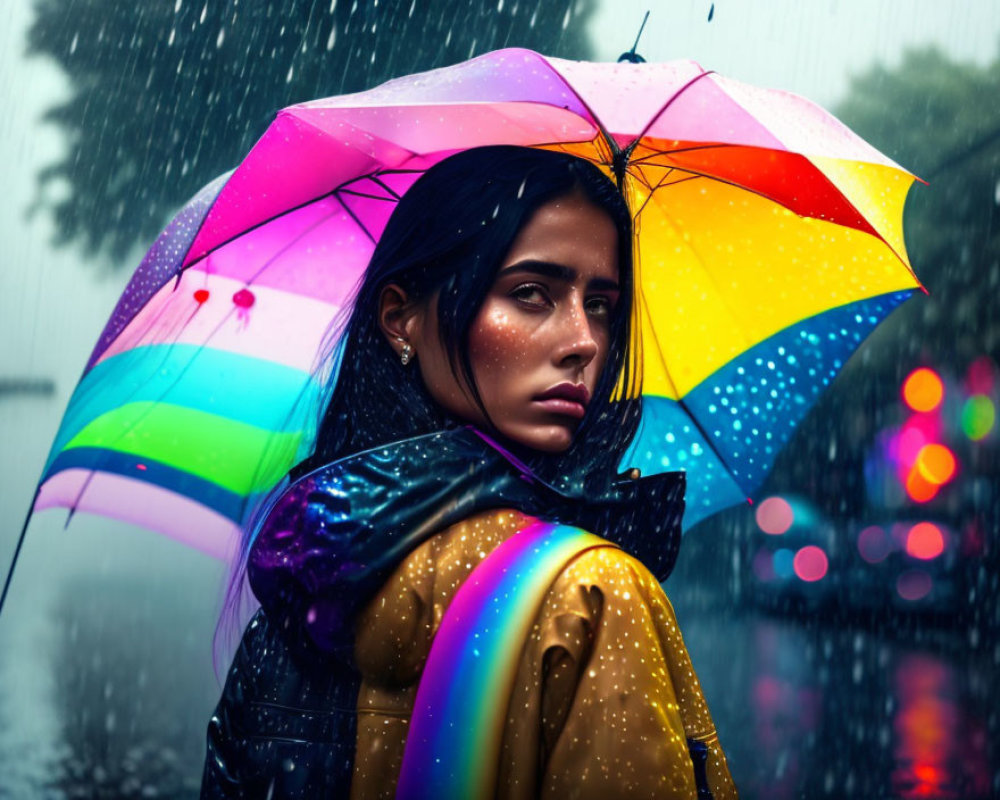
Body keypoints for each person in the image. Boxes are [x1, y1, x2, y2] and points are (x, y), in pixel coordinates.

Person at [201, 146, 737, 799]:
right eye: (532, 293)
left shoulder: (299, 600)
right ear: (401, 319)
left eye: (601, 303)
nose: (585, 341)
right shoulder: (590, 595)